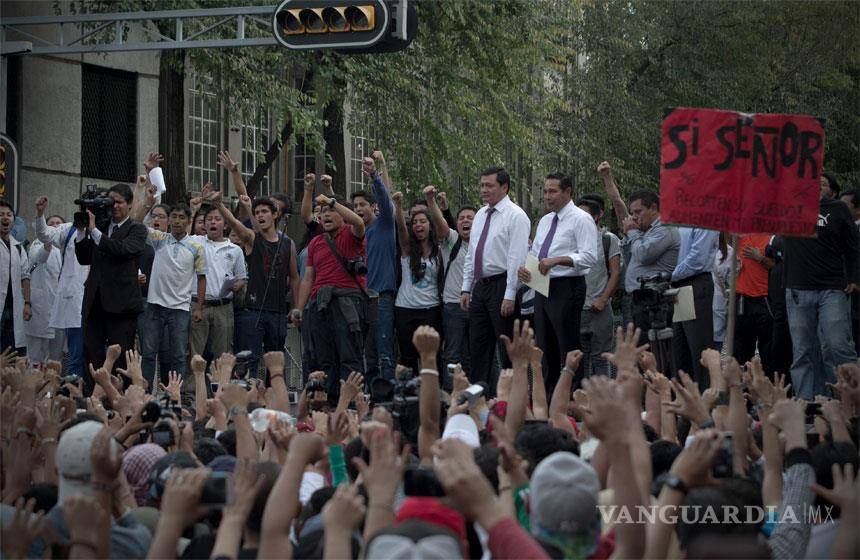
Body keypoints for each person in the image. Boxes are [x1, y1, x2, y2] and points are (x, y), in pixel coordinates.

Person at [517, 173, 599, 396]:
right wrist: (526, 269)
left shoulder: (581, 219)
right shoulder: (545, 221)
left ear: (568, 192)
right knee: (545, 346)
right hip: (542, 285)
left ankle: (574, 396)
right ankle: (548, 396)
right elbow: (537, 253)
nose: (547, 196)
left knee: (568, 344)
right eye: (545, 191)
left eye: (552, 191)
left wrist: (558, 260)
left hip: (567, 286)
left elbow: (589, 256)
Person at [783, 172, 859, 399]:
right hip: (798, 288)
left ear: (832, 192)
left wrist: (854, 278)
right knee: (802, 350)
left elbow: (853, 247)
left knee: (839, 346)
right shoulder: (789, 207)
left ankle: (851, 400)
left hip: (832, 289)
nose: (816, 185)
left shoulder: (838, 209)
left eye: (822, 183)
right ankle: (807, 402)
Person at [461, 167, 530, 394]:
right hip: (481, 286)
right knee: (478, 348)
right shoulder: (481, 214)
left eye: (489, 185)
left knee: (507, 347)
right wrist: (466, 288)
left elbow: (516, 258)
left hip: (503, 284)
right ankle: (478, 399)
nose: (484, 190)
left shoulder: (516, 215)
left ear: (504, 187)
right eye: (482, 185)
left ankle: (511, 400)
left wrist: (510, 293)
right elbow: (472, 253)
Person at [292, 193, 366, 400]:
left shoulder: (351, 234)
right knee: (323, 357)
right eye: (323, 212)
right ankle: (328, 402)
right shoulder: (316, 242)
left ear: (343, 214)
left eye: (331, 211)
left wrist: (332, 202)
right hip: (319, 304)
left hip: (346, 302)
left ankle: (351, 402)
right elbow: (308, 278)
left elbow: (359, 222)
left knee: (349, 355)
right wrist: (299, 308)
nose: (325, 215)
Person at [217, 192, 299, 379]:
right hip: (253, 311)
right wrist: (220, 205)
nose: (260, 215)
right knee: (249, 360)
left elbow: (295, 278)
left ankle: (274, 395)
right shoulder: (252, 238)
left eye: (264, 211)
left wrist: (296, 308)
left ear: (275, 214)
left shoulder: (288, 244)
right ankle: (249, 394)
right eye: (257, 212)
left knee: (275, 363)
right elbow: (235, 224)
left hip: (278, 312)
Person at [74, 183, 147, 388]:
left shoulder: (137, 229)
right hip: (95, 302)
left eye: (118, 202)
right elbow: (84, 258)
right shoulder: (100, 225)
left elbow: (122, 249)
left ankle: (119, 398)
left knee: (121, 357)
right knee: (90, 353)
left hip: (122, 306)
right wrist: (81, 231)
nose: (113, 206)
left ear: (130, 204)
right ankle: (91, 396)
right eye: (110, 202)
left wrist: (95, 231)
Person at [131, 201, 207, 389]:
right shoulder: (159, 239)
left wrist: (199, 307)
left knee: (179, 356)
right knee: (149, 354)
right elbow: (136, 223)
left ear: (188, 221)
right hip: (154, 305)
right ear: (169, 219)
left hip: (180, 308)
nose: (177, 221)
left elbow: (202, 278)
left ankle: (175, 395)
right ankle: (144, 393)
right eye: (174, 216)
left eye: (182, 217)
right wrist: (148, 202)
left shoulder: (196, 247)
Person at [423, 185, 476, 382]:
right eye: (461, 218)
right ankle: (449, 393)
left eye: (470, 218)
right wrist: (431, 201)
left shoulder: (485, 244)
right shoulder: (452, 240)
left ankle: (480, 392)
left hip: (479, 306)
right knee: (453, 354)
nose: (465, 221)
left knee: (477, 353)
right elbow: (440, 224)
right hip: (453, 307)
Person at [352, 153, 397, 384]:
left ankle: (387, 396)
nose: (358, 209)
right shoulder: (354, 235)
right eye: (355, 206)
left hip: (381, 298)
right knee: (366, 354)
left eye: (363, 205)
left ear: (374, 207)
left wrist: (374, 175)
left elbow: (386, 200)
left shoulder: (385, 225)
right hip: (359, 299)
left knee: (384, 353)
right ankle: (368, 395)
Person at [32, 196, 90, 377]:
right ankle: (73, 388)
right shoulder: (70, 228)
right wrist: (40, 213)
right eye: (84, 208)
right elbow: (45, 235)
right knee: (75, 353)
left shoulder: (105, 229)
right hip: (74, 301)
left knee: (95, 352)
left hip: (98, 301)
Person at [187, 205, 247, 363]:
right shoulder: (196, 241)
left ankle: (221, 379)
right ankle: (193, 380)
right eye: (209, 219)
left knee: (223, 354)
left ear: (225, 225)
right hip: (198, 305)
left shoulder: (235, 250)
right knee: (194, 354)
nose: (213, 222)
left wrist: (238, 285)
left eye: (217, 219)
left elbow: (242, 277)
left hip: (224, 307)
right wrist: (193, 210)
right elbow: (182, 237)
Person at [619, 189, 680, 345]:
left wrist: (632, 232)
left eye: (638, 211)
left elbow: (644, 255)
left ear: (653, 208)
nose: (634, 217)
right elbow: (630, 259)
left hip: (654, 303)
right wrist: (629, 235)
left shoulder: (665, 228)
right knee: (638, 351)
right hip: (637, 300)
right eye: (632, 213)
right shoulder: (644, 232)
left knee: (651, 351)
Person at [392, 192, 445, 373]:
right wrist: (398, 205)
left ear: (430, 225)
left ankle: (434, 389)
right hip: (405, 309)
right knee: (408, 357)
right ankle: (410, 390)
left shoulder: (440, 250)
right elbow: (401, 228)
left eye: (423, 221)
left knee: (432, 356)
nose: (418, 225)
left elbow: (444, 227)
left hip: (431, 310)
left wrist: (433, 201)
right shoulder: (407, 249)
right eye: (415, 222)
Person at [576, 195, 622, 378]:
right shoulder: (571, 239)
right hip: (577, 309)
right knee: (579, 359)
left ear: (596, 216)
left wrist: (603, 299)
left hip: (599, 310)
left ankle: (603, 395)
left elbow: (616, 272)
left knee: (601, 358)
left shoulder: (608, 239)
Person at [670, 226, 718, 387]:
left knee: (699, 351)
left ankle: (706, 397)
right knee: (680, 352)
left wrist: (669, 275)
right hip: (676, 287)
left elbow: (697, 260)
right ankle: (685, 397)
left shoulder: (705, 221)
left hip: (694, 283)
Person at [23, 214, 64, 364]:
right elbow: (40, 257)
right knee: (36, 356)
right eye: (51, 223)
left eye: (58, 224)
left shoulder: (66, 247)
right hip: (40, 307)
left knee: (56, 357)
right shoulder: (37, 244)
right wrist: (47, 243)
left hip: (59, 309)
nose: (55, 226)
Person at [733, 233, 775, 374]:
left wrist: (760, 258)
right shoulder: (739, 236)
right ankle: (743, 384)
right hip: (742, 297)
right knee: (741, 347)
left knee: (768, 348)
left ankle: (768, 383)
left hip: (764, 298)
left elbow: (778, 265)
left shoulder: (772, 237)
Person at [0, 199, 30, 354]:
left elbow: (25, 276)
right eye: (1, 214)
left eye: (9, 215)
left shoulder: (18, 247)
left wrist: (27, 303)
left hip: (13, 309)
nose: (5, 218)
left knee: (12, 352)